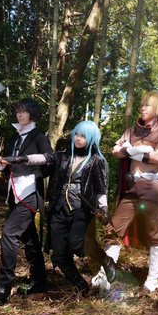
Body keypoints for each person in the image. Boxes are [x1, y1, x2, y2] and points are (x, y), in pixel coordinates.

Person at [15, 120, 109, 294]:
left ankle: (106, 261)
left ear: (92, 138)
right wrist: (24, 159)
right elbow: (45, 158)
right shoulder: (62, 156)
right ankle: (80, 285)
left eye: (83, 136)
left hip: (81, 209)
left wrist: (104, 209)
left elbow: (101, 188)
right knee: (59, 254)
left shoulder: (97, 161)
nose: (78, 138)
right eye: (77, 134)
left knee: (77, 244)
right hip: (58, 209)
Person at [99, 91, 158, 294]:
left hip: (153, 188)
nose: (143, 108)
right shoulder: (131, 131)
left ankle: (151, 282)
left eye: (148, 105)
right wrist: (136, 151)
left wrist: (132, 151)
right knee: (113, 230)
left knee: (155, 234)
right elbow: (115, 151)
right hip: (131, 187)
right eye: (142, 104)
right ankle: (104, 277)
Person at [0, 98, 52, 304]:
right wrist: (2, 165)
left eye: (24, 111)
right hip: (13, 191)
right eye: (18, 110)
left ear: (33, 114)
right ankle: (39, 281)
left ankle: (4, 286)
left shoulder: (39, 137)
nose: (20, 114)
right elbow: (7, 161)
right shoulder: (14, 137)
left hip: (29, 192)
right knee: (29, 237)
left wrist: (23, 160)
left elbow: (49, 159)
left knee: (9, 233)